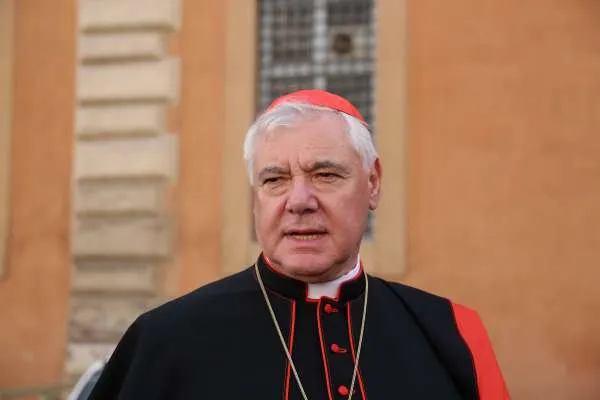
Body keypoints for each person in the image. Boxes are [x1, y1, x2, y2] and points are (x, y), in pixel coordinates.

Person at [89, 89, 510, 399]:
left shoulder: (452, 332)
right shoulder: (164, 339)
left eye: (326, 175)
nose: (299, 202)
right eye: (275, 180)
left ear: (373, 184)